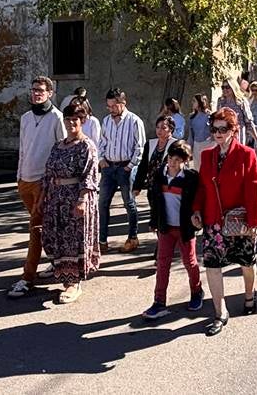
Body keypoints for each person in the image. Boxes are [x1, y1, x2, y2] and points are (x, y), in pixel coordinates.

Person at [194, 107, 257, 336]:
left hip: (240, 220)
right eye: (214, 129)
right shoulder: (207, 155)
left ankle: (249, 294)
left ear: (234, 130)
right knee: (212, 266)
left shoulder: (247, 154)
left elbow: (254, 189)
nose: (218, 133)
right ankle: (220, 312)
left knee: (247, 262)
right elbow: (202, 188)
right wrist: (196, 210)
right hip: (214, 220)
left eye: (223, 129)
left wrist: (255, 221)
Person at [8, 76, 66, 299]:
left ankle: (27, 277)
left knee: (36, 228)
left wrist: (51, 181)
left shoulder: (56, 118)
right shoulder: (25, 118)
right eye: (33, 90)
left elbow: (62, 149)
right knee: (44, 229)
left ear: (50, 93)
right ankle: (55, 261)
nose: (36, 94)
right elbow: (23, 148)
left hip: (44, 183)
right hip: (25, 180)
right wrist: (19, 176)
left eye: (41, 90)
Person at [40, 104, 101, 304]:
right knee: (56, 237)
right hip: (56, 199)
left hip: (76, 199)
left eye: (75, 119)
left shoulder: (86, 145)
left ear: (82, 121)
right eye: (68, 119)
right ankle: (61, 274)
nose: (71, 123)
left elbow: (89, 176)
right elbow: (48, 172)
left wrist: (82, 201)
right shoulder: (58, 145)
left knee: (73, 241)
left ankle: (73, 283)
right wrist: (42, 199)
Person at [142, 141, 204, 319]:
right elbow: (154, 199)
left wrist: (197, 219)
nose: (172, 163)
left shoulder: (191, 178)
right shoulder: (160, 174)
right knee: (162, 264)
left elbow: (197, 201)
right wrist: (154, 221)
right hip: (165, 227)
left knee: (189, 262)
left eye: (177, 160)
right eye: (170, 158)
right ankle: (159, 302)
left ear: (185, 161)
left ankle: (196, 292)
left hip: (184, 228)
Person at [97, 88, 146, 253]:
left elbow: (140, 146)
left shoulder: (134, 121)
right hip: (108, 167)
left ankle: (132, 238)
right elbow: (102, 141)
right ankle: (102, 241)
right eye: (108, 106)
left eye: (113, 106)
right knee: (102, 203)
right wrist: (101, 158)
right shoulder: (106, 121)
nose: (110, 109)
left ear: (122, 104)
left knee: (129, 203)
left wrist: (130, 166)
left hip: (125, 168)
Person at [134, 115, 179, 197]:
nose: (159, 130)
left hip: (169, 188)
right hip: (153, 187)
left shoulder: (176, 145)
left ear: (171, 129)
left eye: (163, 128)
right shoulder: (150, 144)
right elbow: (143, 166)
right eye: (157, 127)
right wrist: (137, 186)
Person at [217, 77, 257, 151]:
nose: (225, 90)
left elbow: (249, 122)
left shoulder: (241, 102)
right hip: (224, 135)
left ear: (233, 87)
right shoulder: (221, 102)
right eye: (223, 87)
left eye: (227, 87)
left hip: (238, 135)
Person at [187, 94, 213, 170]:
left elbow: (213, 132)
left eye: (194, 101)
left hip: (208, 145)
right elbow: (191, 135)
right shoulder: (192, 117)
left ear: (200, 102)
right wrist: (189, 148)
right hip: (197, 146)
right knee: (198, 168)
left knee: (208, 168)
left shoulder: (209, 115)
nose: (192, 103)